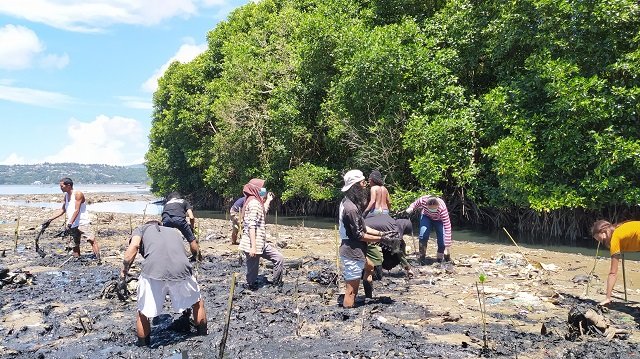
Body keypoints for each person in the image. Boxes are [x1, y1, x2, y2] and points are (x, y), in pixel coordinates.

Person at [120, 220, 207, 347]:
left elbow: (134, 247)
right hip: (181, 267)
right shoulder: (174, 231)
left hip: (153, 269)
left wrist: (123, 275)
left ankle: (143, 346)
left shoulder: (141, 229)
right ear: (160, 224)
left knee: (143, 311)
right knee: (197, 303)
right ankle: (203, 336)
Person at [339, 169, 393, 308]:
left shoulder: (350, 203)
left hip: (357, 249)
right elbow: (359, 235)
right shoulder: (350, 208)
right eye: (362, 182)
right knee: (351, 291)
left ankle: (368, 295)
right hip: (352, 251)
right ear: (355, 185)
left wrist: (382, 235)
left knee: (369, 266)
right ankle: (347, 314)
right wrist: (381, 240)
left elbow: (363, 228)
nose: (365, 185)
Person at [43, 177, 100, 261]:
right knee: (75, 244)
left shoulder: (78, 194)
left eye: (62, 186)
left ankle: (98, 259)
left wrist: (70, 222)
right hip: (73, 224)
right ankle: (77, 260)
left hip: (82, 222)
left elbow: (77, 210)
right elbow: (62, 210)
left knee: (91, 240)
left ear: (68, 186)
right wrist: (49, 219)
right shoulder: (66, 196)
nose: (60, 188)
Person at [239, 178, 281, 289]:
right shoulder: (254, 203)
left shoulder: (255, 201)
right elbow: (251, 226)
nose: (263, 190)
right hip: (253, 244)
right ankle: (250, 287)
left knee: (279, 258)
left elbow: (262, 213)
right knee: (252, 275)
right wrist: (253, 247)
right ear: (256, 189)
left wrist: (268, 200)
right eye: (261, 188)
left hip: (260, 243)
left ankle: (276, 284)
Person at [591, 220, 640, 306]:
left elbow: (613, 273)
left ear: (603, 232)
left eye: (600, 239)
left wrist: (607, 298)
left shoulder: (615, 238)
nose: (601, 242)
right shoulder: (619, 228)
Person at [406, 195, 452, 264]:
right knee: (423, 235)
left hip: (439, 220)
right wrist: (411, 208)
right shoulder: (423, 200)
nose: (433, 211)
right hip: (426, 217)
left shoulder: (442, 208)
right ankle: (422, 258)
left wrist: (447, 245)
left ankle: (440, 260)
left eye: (434, 209)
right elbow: (415, 204)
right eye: (431, 209)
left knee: (442, 240)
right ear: (426, 205)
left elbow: (447, 227)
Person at [161, 192, 200, 259]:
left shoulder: (167, 204)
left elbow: (164, 216)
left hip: (166, 220)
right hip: (179, 219)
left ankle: (166, 257)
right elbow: (191, 217)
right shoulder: (184, 201)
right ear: (179, 197)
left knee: (166, 240)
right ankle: (197, 258)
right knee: (191, 239)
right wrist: (192, 227)